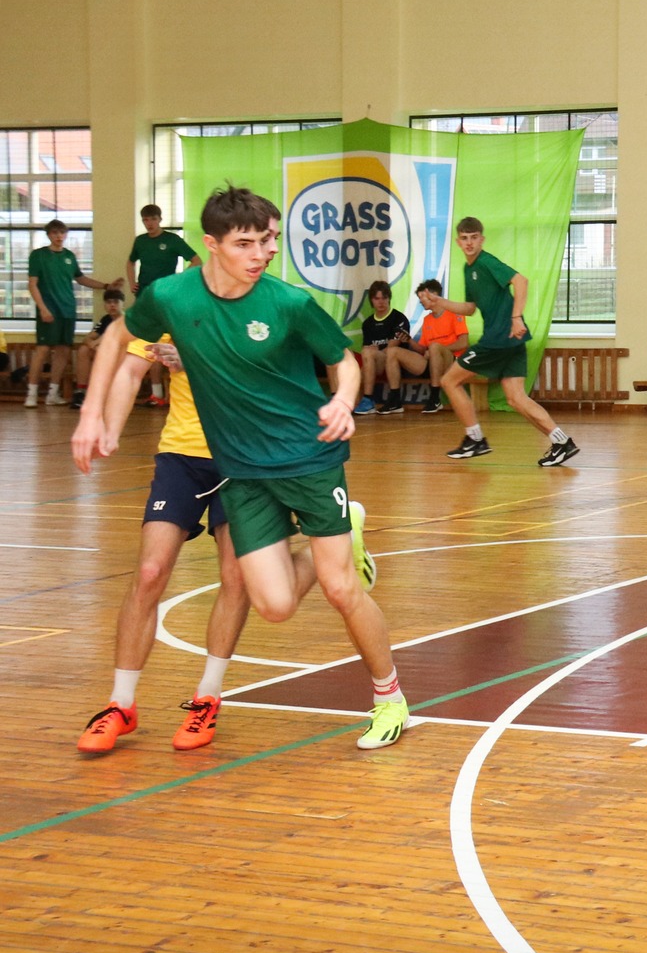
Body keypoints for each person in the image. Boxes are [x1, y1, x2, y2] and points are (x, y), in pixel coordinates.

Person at [73, 184, 413, 750]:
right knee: (274, 606)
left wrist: (342, 399)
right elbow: (119, 339)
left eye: (268, 241)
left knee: (339, 587)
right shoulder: (172, 296)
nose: (262, 253)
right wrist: (91, 417)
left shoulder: (289, 302)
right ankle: (344, 537)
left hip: (308, 458)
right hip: (243, 472)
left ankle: (389, 699)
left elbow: (344, 361)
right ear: (211, 245)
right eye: (246, 243)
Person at [75, 332, 321, 753]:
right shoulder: (171, 307)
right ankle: (121, 704)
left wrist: (196, 356)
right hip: (181, 457)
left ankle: (207, 696)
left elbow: (269, 377)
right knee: (149, 572)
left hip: (247, 458)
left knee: (236, 576)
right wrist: (109, 428)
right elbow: (131, 370)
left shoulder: (260, 311)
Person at [421, 217, 578, 466]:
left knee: (449, 380)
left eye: (474, 238)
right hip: (511, 341)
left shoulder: (486, 262)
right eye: (465, 238)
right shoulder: (468, 270)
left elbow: (521, 281)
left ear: (481, 240)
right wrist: (440, 302)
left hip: (498, 339)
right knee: (516, 398)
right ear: (458, 242)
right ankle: (562, 441)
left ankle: (475, 439)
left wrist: (516, 318)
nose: (469, 242)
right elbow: (470, 308)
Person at [25, 219, 111, 409]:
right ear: (49, 235)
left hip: (68, 310)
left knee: (63, 351)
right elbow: (32, 284)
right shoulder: (38, 255)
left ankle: (52, 394)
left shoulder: (69, 256)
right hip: (49, 310)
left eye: (62, 233)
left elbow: (81, 279)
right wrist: (43, 308)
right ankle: (31, 394)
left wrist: (106, 286)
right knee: (43, 350)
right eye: (55, 233)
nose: (59, 236)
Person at [128, 203, 199, 408]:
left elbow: (196, 260)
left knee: (171, 345)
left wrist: (178, 281)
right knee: (146, 345)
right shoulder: (141, 241)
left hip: (167, 301)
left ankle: (181, 396)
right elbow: (130, 262)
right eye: (145, 220)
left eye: (152, 219)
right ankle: (156, 394)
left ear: (159, 219)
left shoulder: (172, 240)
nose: (149, 223)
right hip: (145, 299)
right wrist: (132, 282)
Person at [354, 279, 427, 415]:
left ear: (389, 298)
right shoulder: (368, 323)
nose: (381, 302)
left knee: (380, 352)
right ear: (371, 300)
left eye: (384, 298)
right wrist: (371, 351)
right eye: (377, 299)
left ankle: (368, 399)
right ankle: (358, 401)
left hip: (396, 363)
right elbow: (366, 348)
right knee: (363, 357)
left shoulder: (398, 318)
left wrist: (374, 351)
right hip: (376, 363)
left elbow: (391, 347)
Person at [413, 278, 469, 415]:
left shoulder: (454, 312)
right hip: (434, 360)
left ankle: (434, 396)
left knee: (434, 347)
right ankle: (394, 400)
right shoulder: (427, 320)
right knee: (395, 352)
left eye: (422, 297)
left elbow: (464, 343)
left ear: (433, 295)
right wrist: (408, 340)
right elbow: (423, 348)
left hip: (454, 360)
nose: (420, 301)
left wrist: (437, 348)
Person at [77, 287, 126, 404]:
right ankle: (80, 391)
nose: (112, 305)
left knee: (104, 353)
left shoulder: (126, 318)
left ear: (122, 304)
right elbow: (88, 338)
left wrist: (96, 344)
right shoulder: (105, 319)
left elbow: (112, 335)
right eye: (109, 302)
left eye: (116, 302)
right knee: (83, 350)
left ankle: (105, 392)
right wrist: (93, 345)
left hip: (125, 352)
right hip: (106, 350)